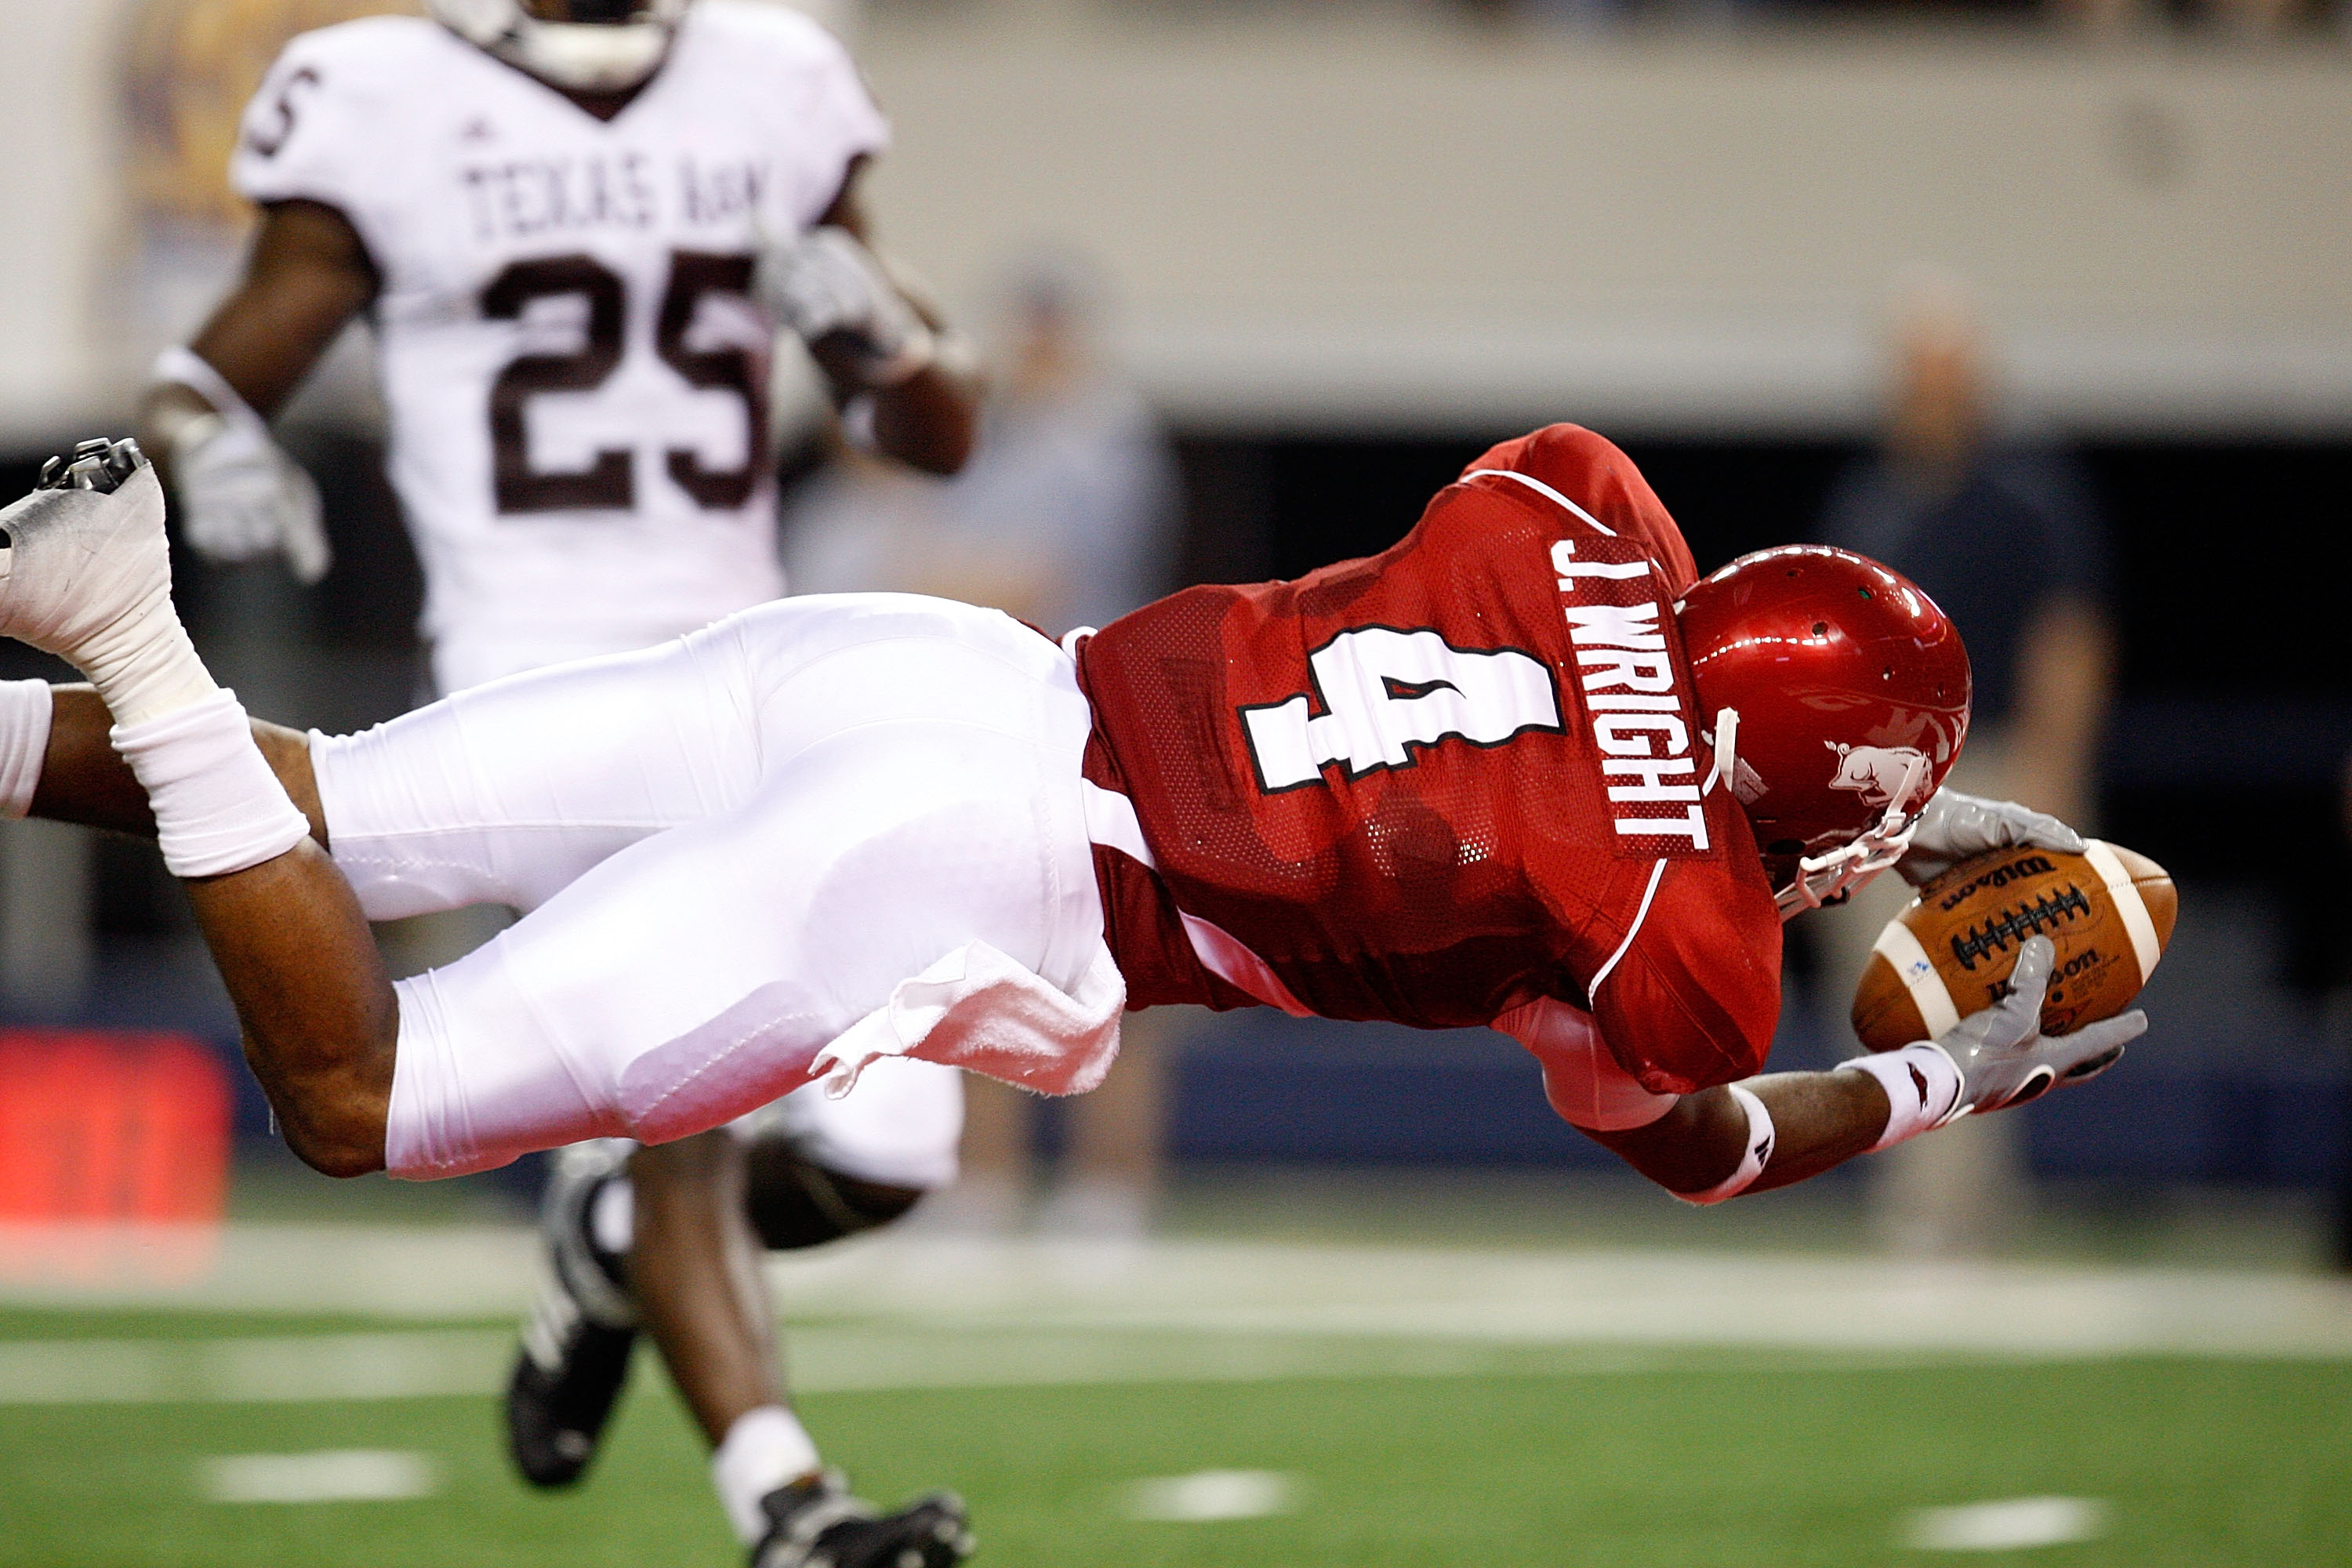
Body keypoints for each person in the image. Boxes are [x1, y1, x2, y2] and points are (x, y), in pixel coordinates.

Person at [2, 428, 2144, 1369]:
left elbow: (1618, 701)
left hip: (934, 669)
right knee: (365, 1093)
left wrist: (1867, 811)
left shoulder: (1575, 499)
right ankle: (131, 620)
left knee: (334, 808)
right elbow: (1686, 1135)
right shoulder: (1663, 930)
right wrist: (1950, 1076)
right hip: (968, 872)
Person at [135, 4, 985, 1564]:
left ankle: (603, 1241)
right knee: (694, 1108)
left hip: (753, 658)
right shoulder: (385, 89)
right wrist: (213, 448)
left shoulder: (773, 75)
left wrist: (886, 337)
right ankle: (792, 1511)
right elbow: (202, 375)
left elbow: (942, 431)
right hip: (532, 680)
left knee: (888, 1155)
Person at [783, 260, 1181, 1236]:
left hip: (1095, 724)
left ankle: (1109, 1194)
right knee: (985, 954)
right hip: (1006, 728)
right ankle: (985, 1183)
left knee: (1115, 963)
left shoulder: (1101, 439)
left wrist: (925, 582)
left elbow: (1029, 580)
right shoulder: (1014, 446)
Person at [1817, 277, 2115, 1256]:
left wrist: (2052, 773)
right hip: (1886, 784)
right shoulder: (1876, 498)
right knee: (1881, 991)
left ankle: (1958, 1213)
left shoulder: (2027, 495)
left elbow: (2068, 634)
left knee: (1977, 993)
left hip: (1991, 767)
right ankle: (1918, 1202)